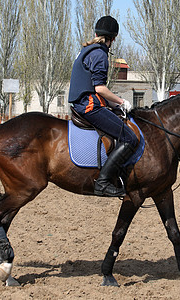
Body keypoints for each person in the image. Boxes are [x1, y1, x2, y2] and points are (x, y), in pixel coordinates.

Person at [68, 16, 138, 197]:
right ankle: (103, 182)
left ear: (97, 33)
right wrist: (122, 102)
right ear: (113, 38)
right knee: (130, 138)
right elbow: (99, 88)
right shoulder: (100, 54)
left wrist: (114, 103)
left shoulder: (87, 50)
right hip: (89, 106)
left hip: (84, 102)